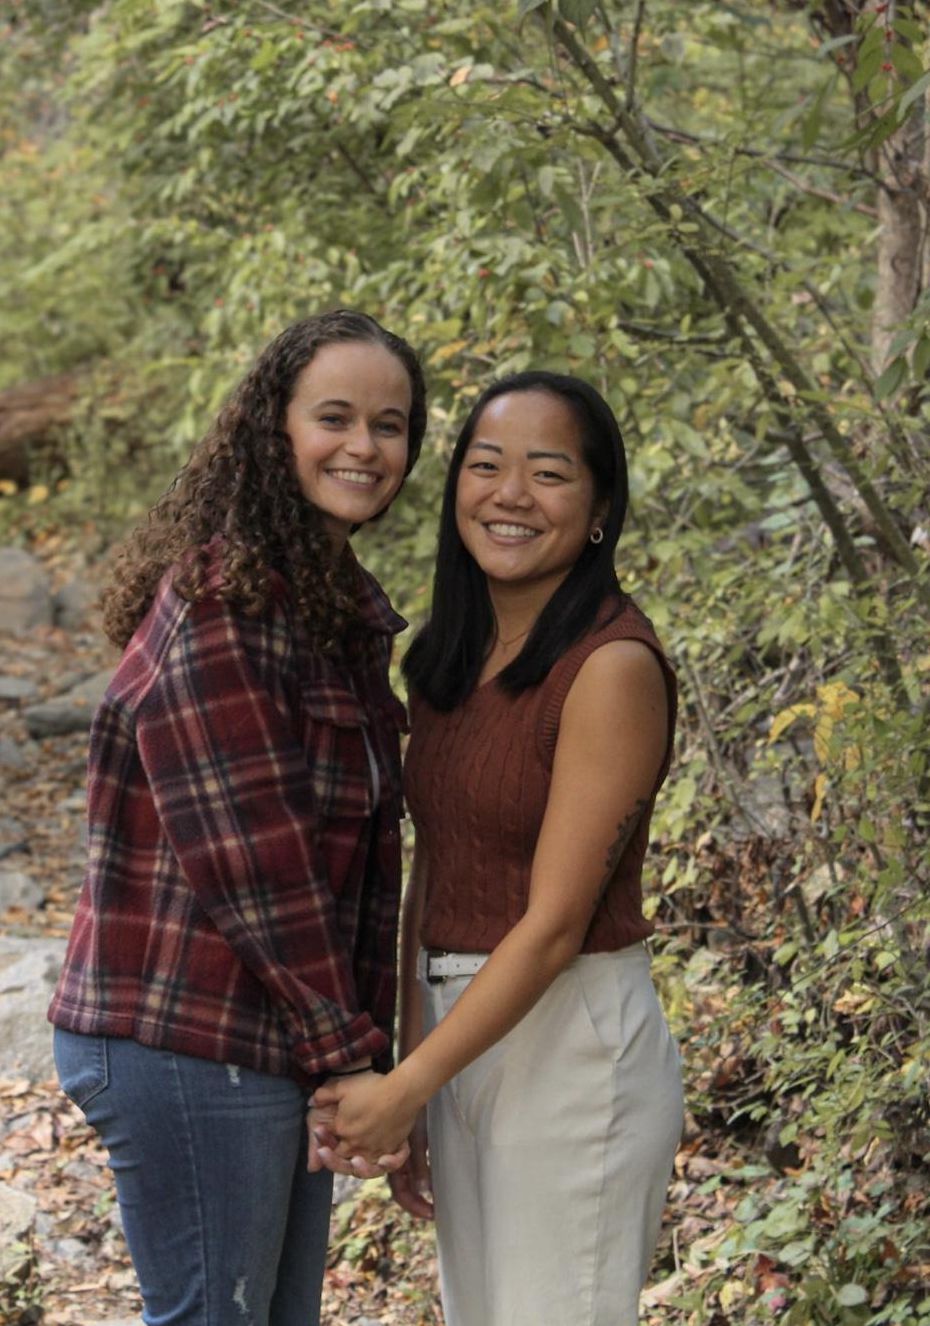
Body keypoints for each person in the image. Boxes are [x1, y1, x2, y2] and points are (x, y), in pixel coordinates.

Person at [48, 309, 427, 1325]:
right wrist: (351, 1055)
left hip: (266, 1033)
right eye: (334, 416)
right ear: (274, 429)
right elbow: (252, 858)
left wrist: (353, 1053)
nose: (362, 446)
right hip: (186, 1032)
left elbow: (348, 866)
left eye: (388, 425)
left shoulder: (327, 605)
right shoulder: (225, 597)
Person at [310, 370, 684, 1325]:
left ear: (600, 509)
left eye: (549, 473)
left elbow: (556, 924)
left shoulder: (610, 669)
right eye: (486, 466)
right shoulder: (446, 660)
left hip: (570, 1047)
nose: (510, 495)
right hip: (461, 1032)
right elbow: (429, 870)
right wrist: (416, 1070)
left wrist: (406, 1086)